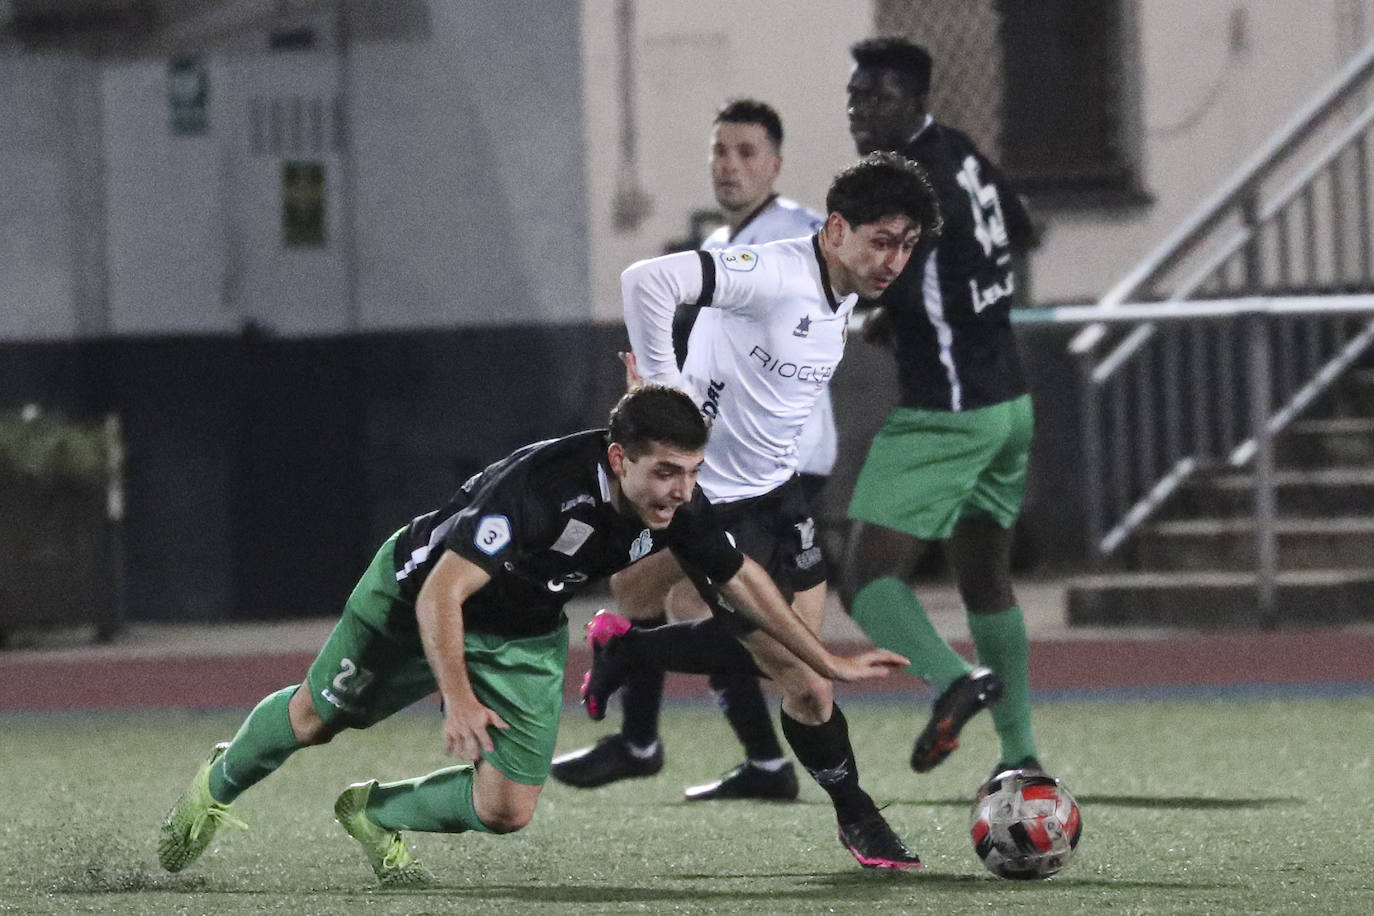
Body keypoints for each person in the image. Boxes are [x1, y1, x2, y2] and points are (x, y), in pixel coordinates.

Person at [156, 384, 907, 886]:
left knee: (507, 811)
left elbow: (741, 579)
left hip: (522, 631)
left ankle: (371, 810)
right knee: (316, 720)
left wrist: (824, 659)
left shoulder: (678, 503)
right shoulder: (540, 491)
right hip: (411, 602)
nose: (682, 491)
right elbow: (445, 592)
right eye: (667, 473)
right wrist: (455, 699)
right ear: (620, 460)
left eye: (692, 472)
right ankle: (215, 786)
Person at [568, 150, 943, 869]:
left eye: (906, 245)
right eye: (881, 240)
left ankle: (627, 644)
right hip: (714, 505)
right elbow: (646, 280)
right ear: (836, 229)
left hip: (782, 494)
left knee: (797, 688)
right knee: (808, 679)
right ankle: (858, 817)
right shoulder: (772, 272)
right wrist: (662, 388)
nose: (893, 259)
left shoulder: (844, 291)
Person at [551, 99, 831, 803]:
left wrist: (670, 399)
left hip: (763, 475)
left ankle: (676, 743)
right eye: (719, 151)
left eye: (745, 152)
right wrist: (662, 391)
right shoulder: (732, 240)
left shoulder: (794, 236)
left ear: (776, 163)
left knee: (753, 635)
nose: (728, 165)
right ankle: (704, 750)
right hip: (725, 471)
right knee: (653, 592)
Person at [839, 36, 1045, 786]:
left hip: (948, 410)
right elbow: (1019, 230)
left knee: (864, 579)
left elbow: (876, 270)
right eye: (856, 96)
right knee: (985, 582)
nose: (862, 110)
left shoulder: (904, 181)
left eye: (880, 97)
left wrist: (883, 304)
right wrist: (919, 307)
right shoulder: (961, 152)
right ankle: (1021, 757)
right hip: (1008, 403)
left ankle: (952, 681)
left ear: (917, 102)